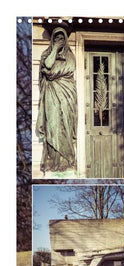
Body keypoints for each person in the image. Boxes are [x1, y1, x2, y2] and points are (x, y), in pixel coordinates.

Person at [35, 27, 77, 174]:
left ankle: (66, 163)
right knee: (52, 126)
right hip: (51, 95)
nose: (59, 41)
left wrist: (50, 73)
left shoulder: (70, 57)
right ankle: (53, 162)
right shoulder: (47, 54)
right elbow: (47, 65)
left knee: (65, 126)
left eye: (62, 38)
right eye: (56, 38)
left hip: (67, 96)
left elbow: (53, 71)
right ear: (53, 40)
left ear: (65, 40)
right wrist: (54, 50)